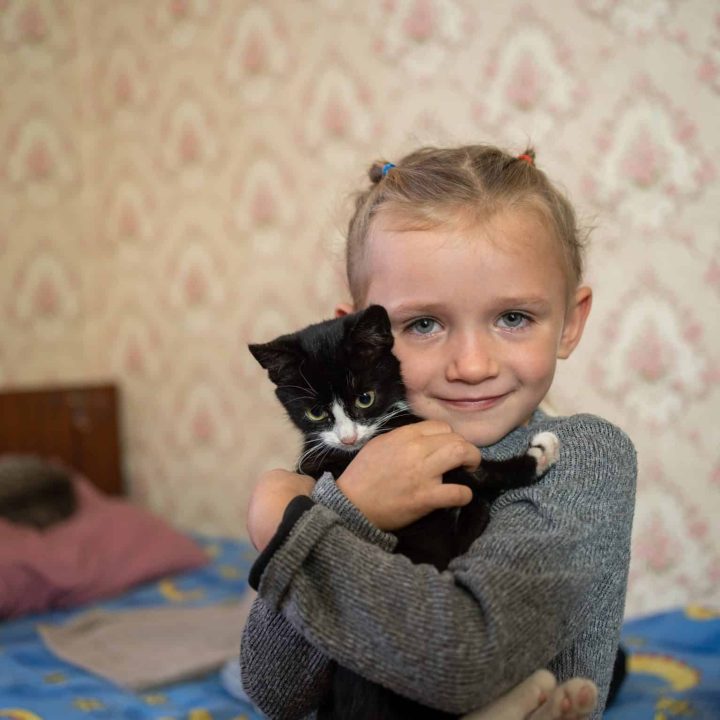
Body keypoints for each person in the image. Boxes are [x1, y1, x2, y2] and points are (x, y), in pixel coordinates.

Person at [239, 145, 637, 720]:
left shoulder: (585, 459)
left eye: (514, 317)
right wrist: (348, 509)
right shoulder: (356, 467)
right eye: (423, 324)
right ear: (355, 337)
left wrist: (294, 525)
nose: (472, 365)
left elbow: (465, 662)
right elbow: (275, 692)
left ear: (570, 324)